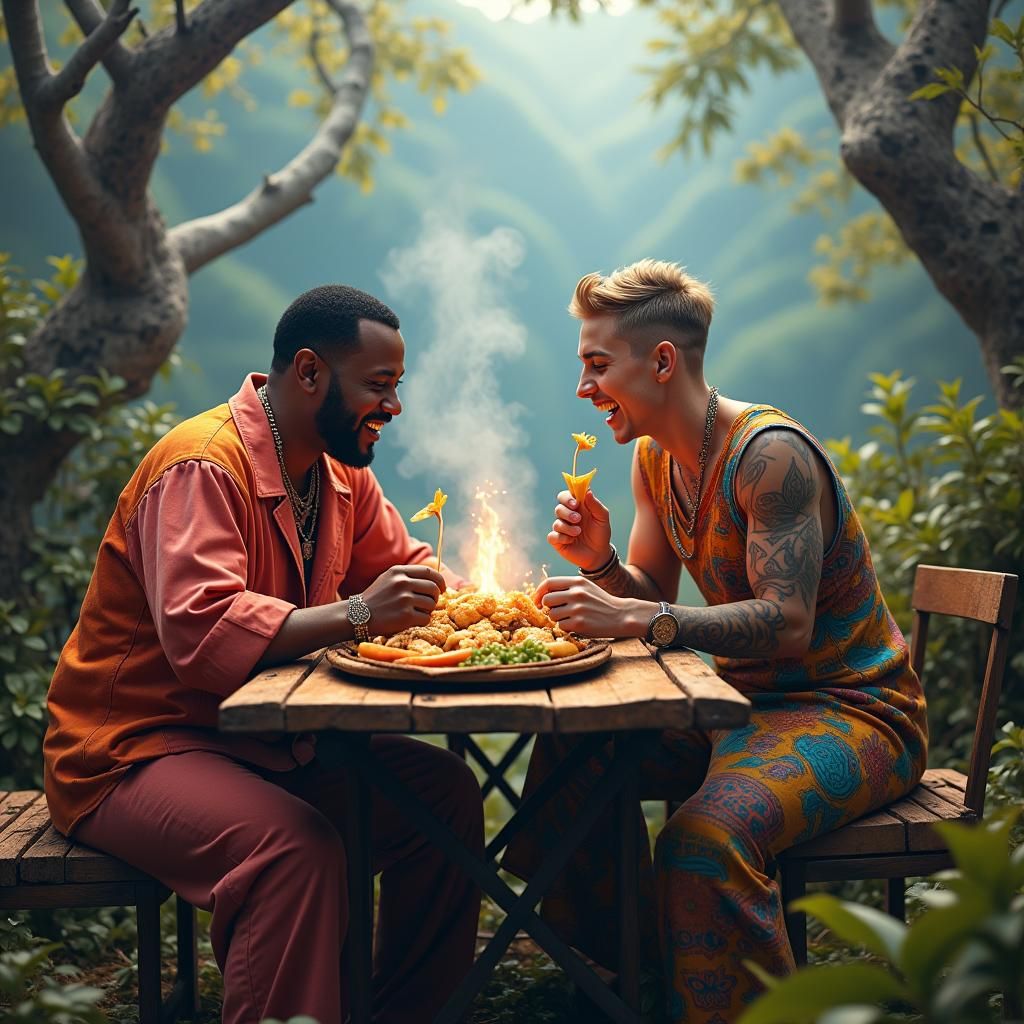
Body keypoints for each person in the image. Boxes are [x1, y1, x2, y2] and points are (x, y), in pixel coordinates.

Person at [43, 285, 483, 1024]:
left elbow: (409, 573)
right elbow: (202, 634)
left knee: (443, 796)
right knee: (294, 849)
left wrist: (503, 610)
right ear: (309, 372)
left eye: (396, 385)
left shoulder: (342, 473)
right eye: (379, 385)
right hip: (138, 750)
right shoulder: (202, 466)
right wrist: (358, 614)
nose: (394, 405)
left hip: (268, 742)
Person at [506, 259, 927, 1023]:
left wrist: (637, 619)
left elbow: (787, 626)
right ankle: (635, 970)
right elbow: (652, 595)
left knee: (701, 840)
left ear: (662, 361)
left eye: (597, 365)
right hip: (739, 706)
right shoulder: (654, 459)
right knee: (572, 748)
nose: (583, 387)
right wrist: (601, 564)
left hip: (852, 712)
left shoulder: (770, 456)